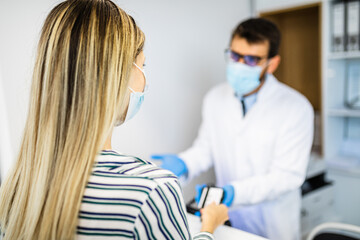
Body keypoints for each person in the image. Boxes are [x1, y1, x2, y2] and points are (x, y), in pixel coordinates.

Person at [0, 1, 229, 239]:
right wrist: (208, 228)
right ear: (118, 75)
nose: (145, 81)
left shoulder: (17, 187)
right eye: (143, 67)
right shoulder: (152, 191)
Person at [152, 18, 314, 240]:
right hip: (229, 220)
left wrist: (234, 192)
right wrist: (184, 163)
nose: (239, 65)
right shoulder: (215, 98)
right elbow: (207, 148)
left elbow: (287, 177)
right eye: (235, 56)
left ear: (272, 64)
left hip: (273, 224)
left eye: (251, 60)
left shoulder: (295, 107)